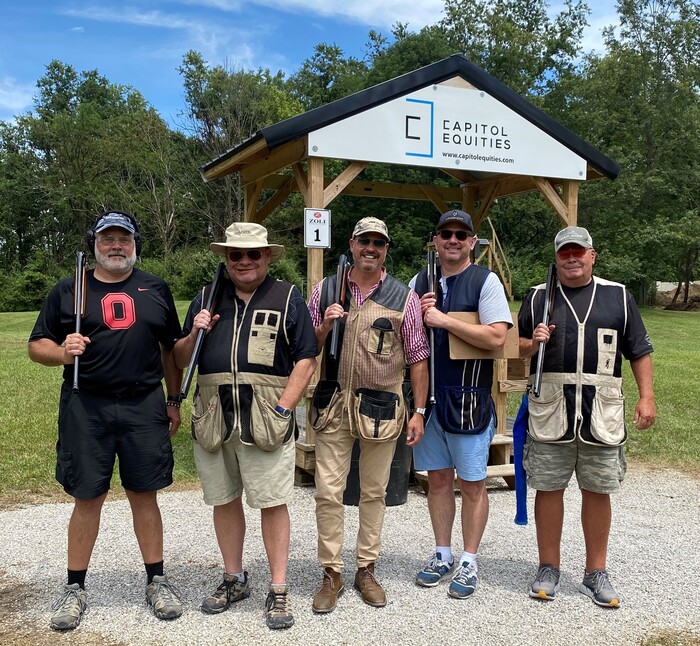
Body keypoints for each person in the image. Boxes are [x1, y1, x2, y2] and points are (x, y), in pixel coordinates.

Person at [28, 211, 184, 631]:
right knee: (88, 497)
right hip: (87, 405)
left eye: (124, 238)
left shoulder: (155, 288)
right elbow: (36, 345)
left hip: (143, 405)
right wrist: (62, 352)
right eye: (108, 238)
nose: (116, 245)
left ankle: (157, 580)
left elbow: (170, 349)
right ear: (95, 243)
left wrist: (174, 399)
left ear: (135, 243)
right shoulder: (70, 290)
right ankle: (75, 587)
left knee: (144, 493)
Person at [173, 222, 316, 630]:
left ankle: (278, 587)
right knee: (223, 499)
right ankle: (234, 577)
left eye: (253, 253)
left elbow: (306, 358)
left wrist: (284, 409)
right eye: (236, 254)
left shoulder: (288, 296)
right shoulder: (205, 298)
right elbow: (181, 358)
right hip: (216, 417)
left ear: (267, 256)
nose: (244, 261)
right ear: (226, 258)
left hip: (266, 418)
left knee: (272, 502)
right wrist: (195, 330)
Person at [518, 225, 655, 607]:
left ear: (592, 255)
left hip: (602, 414)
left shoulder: (618, 296)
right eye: (565, 253)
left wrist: (647, 397)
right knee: (548, 489)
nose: (572, 258)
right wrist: (533, 342)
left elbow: (639, 351)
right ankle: (548, 567)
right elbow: (515, 350)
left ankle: (596, 572)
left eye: (579, 251)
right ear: (557, 257)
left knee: (597, 490)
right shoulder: (537, 298)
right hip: (550, 412)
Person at [308, 216, 429, 613]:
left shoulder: (403, 297)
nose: (370, 248)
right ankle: (331, 572)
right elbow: (306, 347)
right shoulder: (326, 289)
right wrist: (325, 326)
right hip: (333, 404)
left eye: (378, 242)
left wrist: (420, 411)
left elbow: (417, 357)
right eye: (364, 241)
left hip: (382, 406)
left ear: (386, 249)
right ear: (352, 244)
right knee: (328, 491)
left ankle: (366, 568)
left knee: (374, 491)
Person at [411, 209, 511, 599]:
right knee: (437, 481)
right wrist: (419, 314)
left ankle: (469, 559)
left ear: (472, 242)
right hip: (428, 404)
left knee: (472, 484)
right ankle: (442, 553)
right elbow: (407, 333)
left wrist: (443, 318)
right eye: (445, 233)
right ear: (435, 241)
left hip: (468, 402)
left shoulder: (486, 282)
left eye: (460, 234)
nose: (452, 240)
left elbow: (497, 338)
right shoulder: (420, 281)